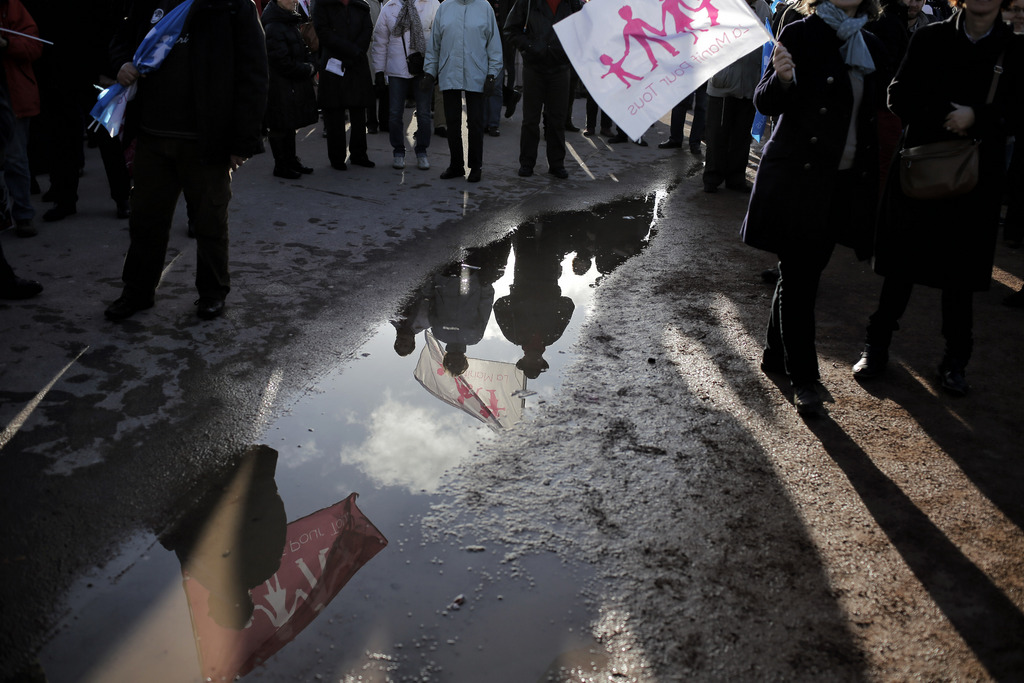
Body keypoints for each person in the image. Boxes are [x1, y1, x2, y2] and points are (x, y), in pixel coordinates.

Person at [851, 0, 1024, 395]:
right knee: (899, 270)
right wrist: (947, 116)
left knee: (961, 279)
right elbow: (897, 95)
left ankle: (955, 361)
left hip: (976, 180)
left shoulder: (1014, 48)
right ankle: (875, 348)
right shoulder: (931, 37)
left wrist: (978, 117)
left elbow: (1019, 110)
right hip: (920, 168)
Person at [741, 0, 889, 416]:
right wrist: (783, 79)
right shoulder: (799, 34)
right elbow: (765, 103)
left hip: (844, 184)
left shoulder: (872, 44)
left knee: (801, 273)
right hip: (799, 179)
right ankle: (805, 378)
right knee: (802, 278)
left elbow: (876, 117)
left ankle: (775, 353)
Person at [103, 0, 269, 321]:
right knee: (145, 221)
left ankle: (212, 293)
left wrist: (243, 141)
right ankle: (137, 291)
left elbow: (254, 74)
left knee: (209, 222)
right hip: (152, 136)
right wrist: (120, 63)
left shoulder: (233, 7)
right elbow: (120, 40)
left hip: (207, 141)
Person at [422, 0, 503, 182]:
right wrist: (429, 72)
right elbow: (434, 45)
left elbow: (494, 45)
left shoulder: (484, 7)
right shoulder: (445, 8)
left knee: (475, 122)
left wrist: (492, 74)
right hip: (449, 71)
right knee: (452, 122)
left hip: (477, 73)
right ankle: (456, 165)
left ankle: (475, 166)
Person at [504, 0, 582, 179]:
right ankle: (526, 163)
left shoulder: (572, 4)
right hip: (534, 68)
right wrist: (531, 46)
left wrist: (567, 51)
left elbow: (585, 30)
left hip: (560, 68)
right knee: (530, 120)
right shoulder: (527, 2)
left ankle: (557, 164)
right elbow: (510, 30)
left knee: (557, 119)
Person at [701, 0, 770, 193]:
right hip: (723, 82)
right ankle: (712, 177)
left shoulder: (764, 8)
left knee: (741, 136)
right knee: (717, 135)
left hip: (750, 83)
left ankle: (736, 177)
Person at [371, 0, 439, 171]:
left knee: (423, 113)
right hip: (396, 70)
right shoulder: (390, 7)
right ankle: (398, 152)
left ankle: (422, 151)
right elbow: (380, 41)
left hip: (423, 68)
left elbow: (438, 39)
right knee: (394, 113)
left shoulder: (432, 4)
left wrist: (434, 69)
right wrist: (379, 71)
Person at [314, 0, 377, 170]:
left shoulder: (361, 6)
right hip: (333, 63)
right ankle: (337, 157)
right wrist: (350, 50)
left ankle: (359, 154)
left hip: (356, 63)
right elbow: (324, 33)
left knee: (358, 112)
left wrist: (356, 52)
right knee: (334, 112)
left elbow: (367, 30)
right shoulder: (322, 5)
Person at [262, 0, 319, 179]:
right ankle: (281, 165)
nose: (294, 1)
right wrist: (307, 69)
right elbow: (281, 62)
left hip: (291, 85)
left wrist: (310, 63)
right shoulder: (273, 26)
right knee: (280, 125)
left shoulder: (288, 21)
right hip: (279, 86)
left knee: (289, 124)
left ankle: (291, 161)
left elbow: (303, 49)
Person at [0, 0, 41, 238]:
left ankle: (23, 214)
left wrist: (6, 43)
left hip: (11, 96)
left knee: (15, 159)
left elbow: (34, 47)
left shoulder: (12, 7)